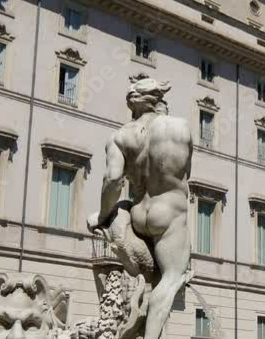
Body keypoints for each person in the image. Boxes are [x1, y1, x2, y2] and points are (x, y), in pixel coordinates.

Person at [88, 74, 193, 339]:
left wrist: (101, 215)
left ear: (133, 105)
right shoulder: (180, 127)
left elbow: (112, 180)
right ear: (159, 99)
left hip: (137, 214)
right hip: (168, 213)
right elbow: (186, 173)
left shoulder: (120, 137)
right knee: (172, 278)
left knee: (153, 280)